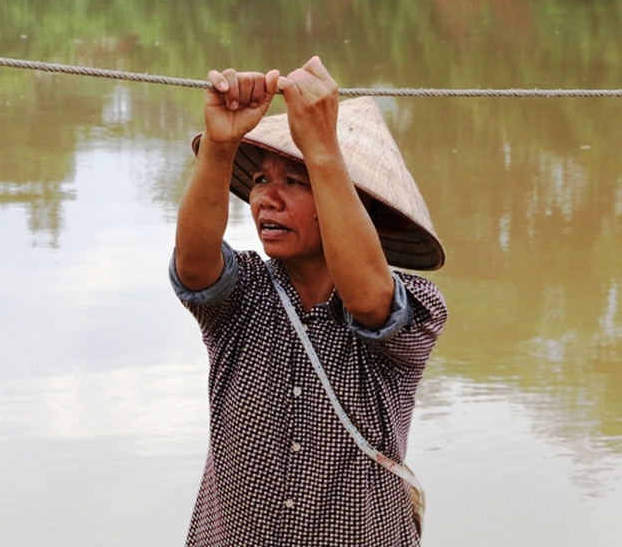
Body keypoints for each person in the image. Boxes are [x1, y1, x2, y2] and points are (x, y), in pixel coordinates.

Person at [168, 56, 448, 546]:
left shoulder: (413, 308)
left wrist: (321, 151)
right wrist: (219, 144)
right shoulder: (245, 293)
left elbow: (368, 302)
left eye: (293, 183)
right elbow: (194, 266)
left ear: (354, 207)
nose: (265, 200)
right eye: (259, 181)